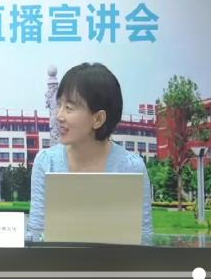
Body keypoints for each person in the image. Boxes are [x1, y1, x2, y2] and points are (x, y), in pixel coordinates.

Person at [28, 62, 153, 244]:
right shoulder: (46, 162)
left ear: (98, 119)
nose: (59, 116)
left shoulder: (132, 167)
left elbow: (145, 240)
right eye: (59, 105)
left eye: (69, 108)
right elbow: (36, 237)